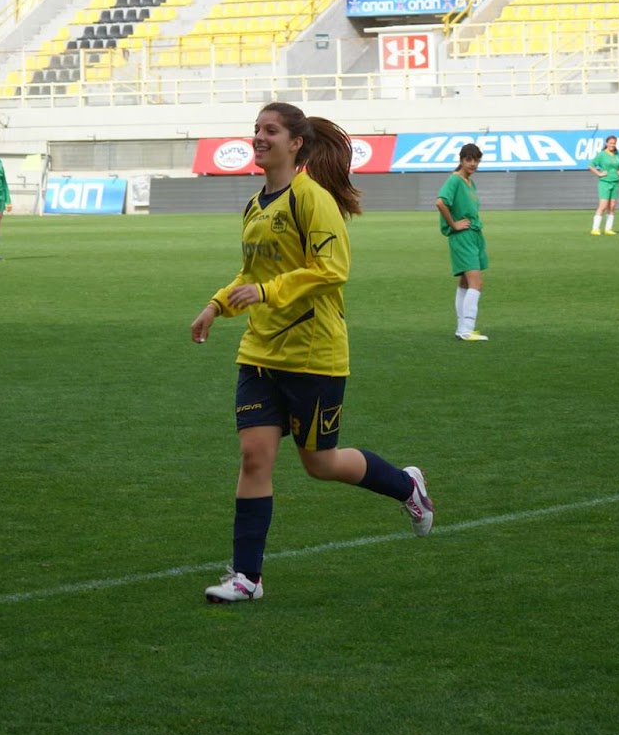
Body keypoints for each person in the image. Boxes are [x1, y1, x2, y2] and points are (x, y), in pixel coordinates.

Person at [189, 101, 435, 603]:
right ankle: (247, 578)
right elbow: (251, 275)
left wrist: (268, 292)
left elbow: (332, 269)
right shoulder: (255, 206)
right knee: (254, 458)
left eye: (271, 130)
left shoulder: (312, 199)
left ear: (296, 142)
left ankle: (406, 486)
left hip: (313, 354)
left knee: (319, 464)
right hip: (260, 353)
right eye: (256, 129)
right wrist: (216, 305)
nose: (259, 137)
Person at [436, 142, 488, 341]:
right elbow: (440, 202)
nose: (473, 164)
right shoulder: (455, 180)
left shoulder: (469, 182)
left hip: (473, 235)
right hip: (463, 236)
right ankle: (467, 329)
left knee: (465, 281)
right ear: (461, 160)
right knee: (476, 282)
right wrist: (454, 224)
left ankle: (462, 328)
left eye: (476, 160)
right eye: (469, 160)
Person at [589, 135, 619, 235]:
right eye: (611, 143)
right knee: (603, 206)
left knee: (612, 206)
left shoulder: (616, 154)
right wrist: (599, 173)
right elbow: (591, 165)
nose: (612, 145)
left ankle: (608, 229)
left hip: (615, 182)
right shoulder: (602, 155)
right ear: (607, 143)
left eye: (614, 143)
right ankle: (595, 228)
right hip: (605, 182)